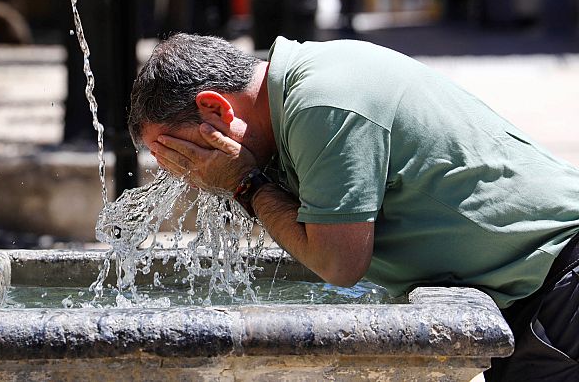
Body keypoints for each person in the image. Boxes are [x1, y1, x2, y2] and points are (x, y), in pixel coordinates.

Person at [128, 33, 579, 381]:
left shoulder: (321, 103)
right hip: (535, 290)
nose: (187, 175)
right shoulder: (297, 97)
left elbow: (339, 263)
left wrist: (245, 185)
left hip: (560, 281)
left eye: (179, 155)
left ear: (215, 108)